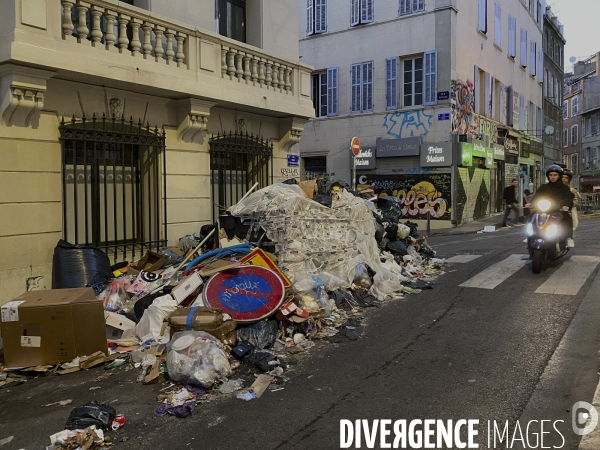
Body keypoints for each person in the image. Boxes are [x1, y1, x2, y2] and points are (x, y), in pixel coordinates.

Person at [530, 165, 575, 247]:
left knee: (567, 216)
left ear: (559, 176)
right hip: (544, 209)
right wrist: (531, 203)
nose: (552, 177)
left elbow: (568, 198)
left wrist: (566, 206)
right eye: (551, 175)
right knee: (533, 215)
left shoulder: (564, 188)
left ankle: (568, 238)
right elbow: (536, 196)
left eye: (555, 175)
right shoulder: (543, 187)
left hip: (557, 210)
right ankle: (531, 234)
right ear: (548, 176)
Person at [561, 168, 580, 232]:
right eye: (562, 177)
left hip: (568, 212)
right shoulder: (552, 189)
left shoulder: (572, 190)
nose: (564, 179)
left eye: (566, 178)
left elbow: (575, 202)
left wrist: (568, 204)